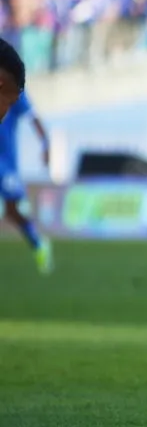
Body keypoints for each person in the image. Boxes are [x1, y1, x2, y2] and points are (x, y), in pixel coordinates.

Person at [0, 36, 53, 274]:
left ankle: (38, 244)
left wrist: (46, 144)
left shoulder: (14, 90)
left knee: (12, 211)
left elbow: (33, 117)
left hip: (5, 160)